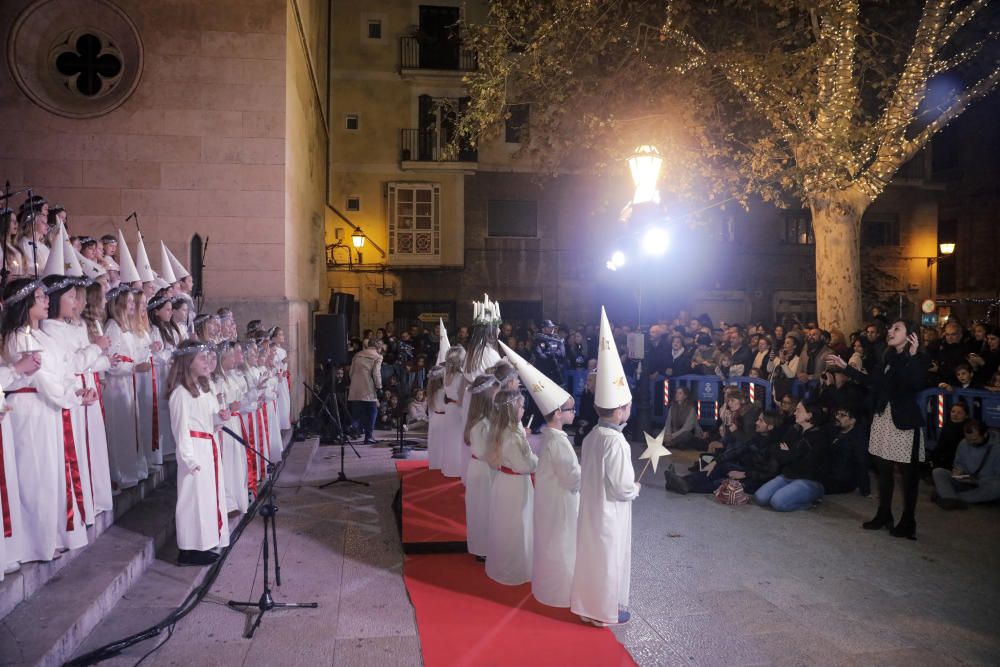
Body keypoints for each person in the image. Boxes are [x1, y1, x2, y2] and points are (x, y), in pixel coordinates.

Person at [571, 307, 639, 627]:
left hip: (592, 507)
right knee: (609, 557)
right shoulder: (616, 442)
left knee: (592, 557)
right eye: (627, 405)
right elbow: (622, 485)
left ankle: (588, 605)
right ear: (621, 409)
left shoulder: (593, 435)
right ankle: (604, 611)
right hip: (609, 510)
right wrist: (635, 487)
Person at [828, 319, 928, 540]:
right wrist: (846, 368)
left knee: (908, 475)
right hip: (883, 418)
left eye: (897, 329)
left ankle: (908, 521)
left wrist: (912, 357)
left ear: (911, 335)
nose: (890, 331)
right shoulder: (887, 356)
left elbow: (916, 383)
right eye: (891, 328)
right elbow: (874, 382)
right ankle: (884, 514)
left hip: (904, 421)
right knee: (883, 470)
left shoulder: (917, 358)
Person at [169, 341, 232, 566]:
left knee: (207, 499)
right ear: (188, 362)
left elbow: (208, 421)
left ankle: (204, 544)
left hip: (208, 447)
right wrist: (188, 459)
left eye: (208, 357)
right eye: (202, 358)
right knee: (192, 500)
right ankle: (188, 548)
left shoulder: (205, 390)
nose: (208, 362)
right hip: (195, 451)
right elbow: (181, 429)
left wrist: (219, 418)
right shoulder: (180, 393)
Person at [485, 389, 536, 585]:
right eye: (521, 406)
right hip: (515, 486)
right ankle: (512, 570)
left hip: (503, 482)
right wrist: (539, 463)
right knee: (516, 526)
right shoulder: (513, 437)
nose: (524, 409)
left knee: (505, 525)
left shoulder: (502, 429)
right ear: (512, 409)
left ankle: (502, 564)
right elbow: (523, 465)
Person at [753, 402, 829, 511]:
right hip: (788, 474)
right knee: (760, 498)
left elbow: (807, 463)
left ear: (809, 415)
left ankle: (811, 502)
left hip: (809, 479)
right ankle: (790, 492)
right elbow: (776, 448)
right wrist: (790, 454)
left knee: (777, 502)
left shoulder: (819, 436)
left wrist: (789, 454)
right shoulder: (794, 429)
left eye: (799, 410)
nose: (795, 413)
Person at [463, 374, 499, 561]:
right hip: (483, 470)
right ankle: (482, 549)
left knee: (483, 508)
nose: (498, 395)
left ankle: (484, 547)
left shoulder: (483, 419)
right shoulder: (481, 423)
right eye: (495, 392)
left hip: (482, 468)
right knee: (482, 509)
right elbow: (487, 452)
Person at [931, 419, 1000, 509]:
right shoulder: (963, 443)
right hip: (965, 480)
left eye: (974, 439)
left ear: (985, 434)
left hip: (985, 483)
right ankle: (950, 497)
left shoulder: (997, 448)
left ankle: (949, 497)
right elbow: (958, 463)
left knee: (996, 487)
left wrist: (977, 480)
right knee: (938, 472)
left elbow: (997, 475)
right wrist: (959, 472)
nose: (971, 442)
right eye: (968, 439)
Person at [826, 403, 870, 496]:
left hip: (844, 480)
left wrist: (866, 490)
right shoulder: (834, 431)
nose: (837, 417)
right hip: (830, 473)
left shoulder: (858, 439)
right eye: (837, 414)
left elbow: (862, 464)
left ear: (852, 421)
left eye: (842, 415)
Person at [347, 338, 382, 444]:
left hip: (355, 388)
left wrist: (354, 383)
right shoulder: (377, 357)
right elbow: (376, 373)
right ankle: (369, 436)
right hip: (368, 388)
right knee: (372, 411)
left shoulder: (357, 355)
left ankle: (354, 425)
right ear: (378, 347)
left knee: (358, 412)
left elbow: (351, 372)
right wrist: (379, 387)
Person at [440, 345, 468, 478]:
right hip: (458, 409)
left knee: (450, 438)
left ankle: (448, 468)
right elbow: (462, 398)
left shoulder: (446, 373)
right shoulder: (461, 376)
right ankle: (456, 469)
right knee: (457, 440)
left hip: (449, 408)